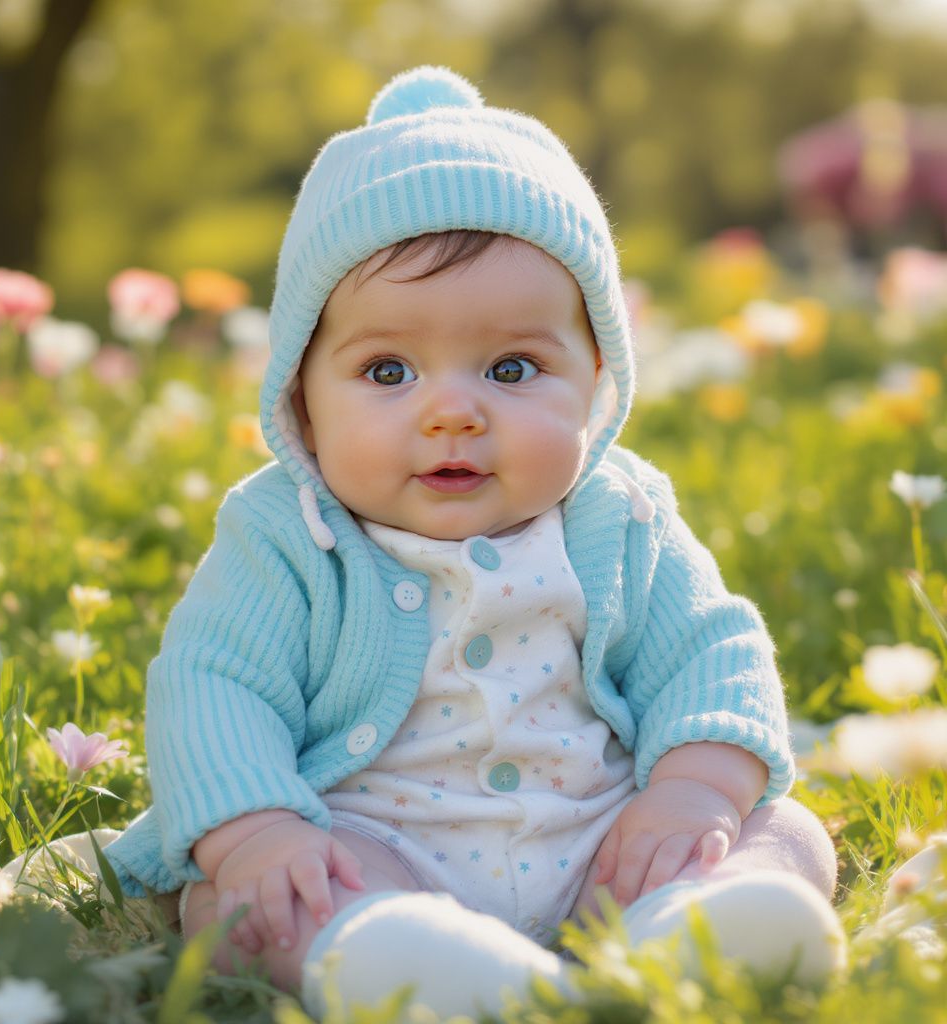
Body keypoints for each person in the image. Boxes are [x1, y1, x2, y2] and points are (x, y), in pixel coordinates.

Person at [100, 66, 847, 1017]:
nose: (453, 411)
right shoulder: (283, 538)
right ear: (301, 400)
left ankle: (693, 928)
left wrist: (694, 795)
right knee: (248, 901)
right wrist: (257, 834)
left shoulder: (621, 516)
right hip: (372, 851)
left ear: (596, 385)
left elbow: (711, 651)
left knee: (781, 828)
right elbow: (213, 687)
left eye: (512, 367)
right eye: (388, 371)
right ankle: (408, 961)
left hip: (610, 848)